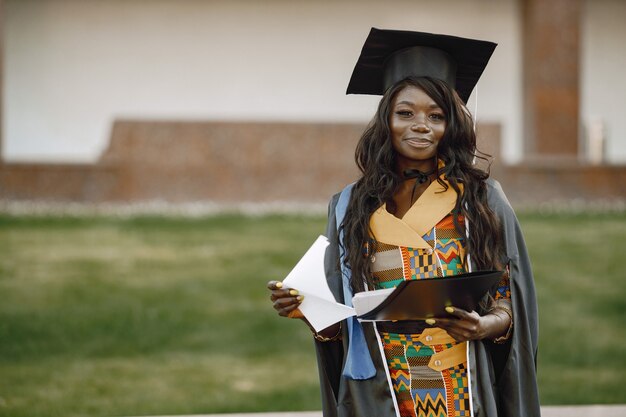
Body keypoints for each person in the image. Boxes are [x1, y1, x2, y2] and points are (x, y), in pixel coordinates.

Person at [268, 28, 540, 417]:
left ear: (452, 125)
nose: (421, 125)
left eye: (436, 115)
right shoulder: (349, 205)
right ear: (386, 120)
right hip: (383, 390)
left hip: (460, 388)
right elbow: (340, 322)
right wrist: (307, 309)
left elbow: (508, 299)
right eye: (406, 113)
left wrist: (485, 325)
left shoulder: (481, 199)